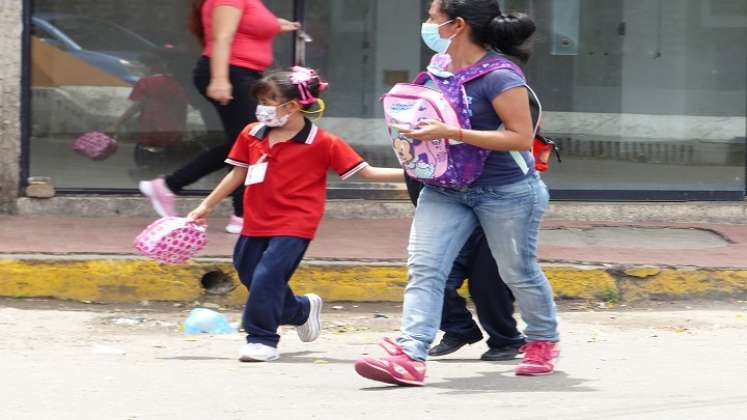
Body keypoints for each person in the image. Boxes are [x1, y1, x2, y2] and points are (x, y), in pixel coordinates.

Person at [355, 0, 560, 386]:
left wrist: (453, 134)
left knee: (516, 271)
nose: (427, 23)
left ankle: (543, 339)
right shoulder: (436, 73)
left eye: (433, 16)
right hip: (444, 188)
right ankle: (410, 354)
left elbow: (519, 137)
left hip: (506, 191)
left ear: (456, 25)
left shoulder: (500, 76)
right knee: (426, 267)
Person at [187, 67, 404, 362]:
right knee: (249, 272)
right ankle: (300, 310)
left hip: (296, 222)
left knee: (268, 275)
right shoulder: (251, 133)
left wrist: (413, 175)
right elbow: (238, 173)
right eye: (260, 101)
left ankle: (261, 338)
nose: (262, 108)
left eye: (269, 101)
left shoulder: (324, 142)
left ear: (293, 105)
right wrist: (207, 205)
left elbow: (366, 172)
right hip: (256, 219)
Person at [140, 0, 301, 233]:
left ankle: (169, 186)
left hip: (243, 74)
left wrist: (275, 25)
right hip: (231, 73)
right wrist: (219, 79)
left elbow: (245, 27)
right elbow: (221, 38)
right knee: (253, 142)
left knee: (245, 143)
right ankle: (241, 214)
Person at [405, 176, 526, 361]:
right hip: (448, 222)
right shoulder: (422, 156)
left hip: (492, 216)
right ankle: (460, 329)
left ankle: (507, 340)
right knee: (432, 278)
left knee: (487, 285)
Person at [109, 53, 189, 174]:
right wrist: (182, 129)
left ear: (149, 66)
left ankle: (146, 179)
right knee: (166, 165)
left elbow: (136, 106)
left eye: (142, 66)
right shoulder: (175, 84)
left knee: (144, 161)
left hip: (149, 128)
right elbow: (182, 109)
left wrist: (117, 124)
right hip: (172, 130)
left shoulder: (144, 83)